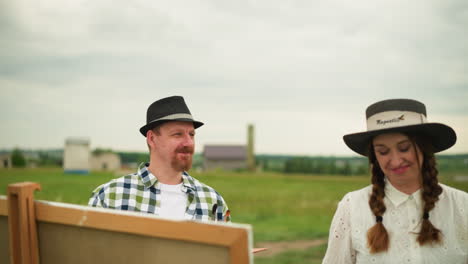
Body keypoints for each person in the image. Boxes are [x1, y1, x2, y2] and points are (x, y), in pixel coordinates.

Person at [322, 98, 467, 263]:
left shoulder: (463, 205)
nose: (396, 160)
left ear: (424, 147)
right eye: (383, 151)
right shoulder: (352, 206)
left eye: (404, 148)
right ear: (374, 157)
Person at [88, 96, 230, 222]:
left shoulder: (213, 202)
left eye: (191, 134)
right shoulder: (109, 196)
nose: (189, 142)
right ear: (152, 138)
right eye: (177, 134)